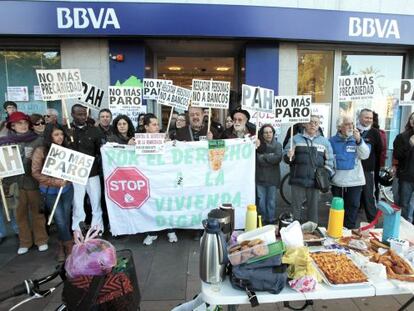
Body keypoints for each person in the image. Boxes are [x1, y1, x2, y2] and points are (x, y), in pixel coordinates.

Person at [0, 111, 48, 255]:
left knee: (37, 213)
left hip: (33, 182)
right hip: (15, 184)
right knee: (19, 214)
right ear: (12, 126)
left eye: (25, 123)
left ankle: (41, 240)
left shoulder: (38, 140)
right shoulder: (5, 142)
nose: (23, 126)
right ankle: (25, 242)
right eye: (19, 123)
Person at [32, 124, 74, 262]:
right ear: (49, 136)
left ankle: (61, 246)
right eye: (56, 135)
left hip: (67, 190)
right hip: (50, 191)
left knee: (66, 219)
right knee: (60, 220)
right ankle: (68, 246)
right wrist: (56, 182)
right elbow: (36, 173)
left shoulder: (67, 149)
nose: (60, 137)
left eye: (61, 134)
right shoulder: (41, 151)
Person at [283, 115, 334, 224]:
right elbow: (286, 158)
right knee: (295, 208)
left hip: (315, 181)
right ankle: (294, 230)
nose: (313, 125)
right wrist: (288, 156)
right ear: (304, 124)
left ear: (319, 125)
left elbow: (330, 161)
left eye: (316, 123)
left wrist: (325, 175)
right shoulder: (295, 139)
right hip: (298, 179)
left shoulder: (324, 142)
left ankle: (313, 232)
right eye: (310, 122)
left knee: (313, 209)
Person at [64, 104, 104, 232]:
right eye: (79, 114)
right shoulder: (66, 130)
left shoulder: (95, 131)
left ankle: (97, 229)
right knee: (77, 204)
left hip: (92, 172)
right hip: (75, 173)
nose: (82, 117)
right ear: (72, 114)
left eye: (84, 114)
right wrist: (67, 140)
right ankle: (77, 229)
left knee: (96, 202)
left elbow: (101, 151)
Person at [141, 113, 178, 245]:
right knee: (150, 204)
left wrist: (169, 144)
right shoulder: (140, 140)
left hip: (164, 177)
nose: (157, 127)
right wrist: (131, 143)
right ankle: (152, 232)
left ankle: (170, 230)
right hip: (149, 178)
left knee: (166, 203)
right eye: (154, 124)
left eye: (158, 124)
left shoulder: (164, 138)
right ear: (146, 126)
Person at [329, 115, 370, 229]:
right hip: (338, 181)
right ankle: (336, 229)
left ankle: (349, 230)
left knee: (353, 206)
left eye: (352, 124)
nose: (350, 127)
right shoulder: (332, 141)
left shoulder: (357, 140)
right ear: (339, 127)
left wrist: (359, 141)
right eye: (347, 124)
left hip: (355, 181)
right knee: (338, 208)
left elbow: (365, 155)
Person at [356, 109, 383, 223]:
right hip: (353, 169)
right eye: (366, 117)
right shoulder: (354, 130)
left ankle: (372, 222)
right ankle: (350, 223)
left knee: (369, 196)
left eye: (371, 118)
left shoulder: (375, 133)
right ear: (360, 117)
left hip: (368, 170)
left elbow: (379, 150)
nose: (369, 120)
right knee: (354, 197)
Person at [256, 124, 282, 225]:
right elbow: (259, 160)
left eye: (270, 132)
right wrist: (270, 157)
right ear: (262, 134)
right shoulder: (258, 145)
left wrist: (265, 156)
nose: (268, 134)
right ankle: (262, 220)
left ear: (273, 133)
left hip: (273, 178)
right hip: (260, 178)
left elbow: (277, 158)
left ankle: (271, 220)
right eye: (266, 132)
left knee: (271, 201)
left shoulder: (278, 145)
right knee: (261, 202)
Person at [393, 112, 414, 221]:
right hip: (407, 176)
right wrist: (409, 145)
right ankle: (405, 228)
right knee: (404, 204)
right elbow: (397, 155)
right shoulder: (402, 137)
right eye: (412, 119)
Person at [372, 111, 388, 201]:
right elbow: (383, 150)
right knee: (375, 183)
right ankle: (375, 202)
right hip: (377, 162)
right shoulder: (381, 133)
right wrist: (382, 164)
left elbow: (382, 150)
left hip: (374, 162)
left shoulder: (380, 133)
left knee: (373, 183)